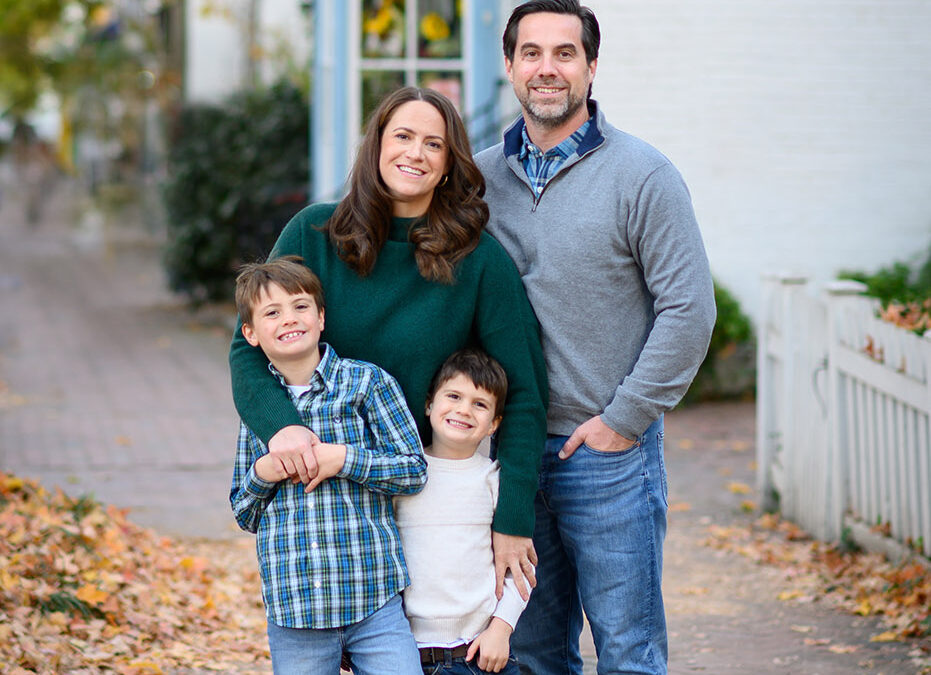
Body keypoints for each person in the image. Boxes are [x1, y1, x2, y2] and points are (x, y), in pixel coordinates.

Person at [228, 87, 548, 605]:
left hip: (427, 496)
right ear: (376, 146)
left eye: (433, 144)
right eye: (402, 136)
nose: (414, 153)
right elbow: (247, 349)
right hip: (330, 498)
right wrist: (282, 429)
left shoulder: (479, 260)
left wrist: (513, 518)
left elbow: (526, 394)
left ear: (448, 164)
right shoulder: (312, 233)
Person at [474, 1, 717, 673]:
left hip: (606, 457)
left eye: (563, 53)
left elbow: (689, 309)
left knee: (628, 652)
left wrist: (624, 419)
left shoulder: (642, 175)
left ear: (590, 66)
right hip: (506, 459)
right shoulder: (478, 179)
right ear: (509, 65)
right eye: (531, 53)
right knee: (528, 653)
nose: (546, 68)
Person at [229, 256, 427, 673]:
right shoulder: (260, 408)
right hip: (296, 609)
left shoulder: (367, 384)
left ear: (321, 317)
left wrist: (343, 459)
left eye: (300, 306)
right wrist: (264, 473)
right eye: (272, 312)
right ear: (250, 333)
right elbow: (244, 512)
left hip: (373, 599)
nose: (289, 319)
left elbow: (413, 470)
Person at [395, 349, 529, 675]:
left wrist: (502, 628)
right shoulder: (401, 476)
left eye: (479, 404)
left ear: (494, 424)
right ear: (429, 404)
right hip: (407, 652)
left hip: (480, 651)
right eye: (453, 396)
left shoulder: (495, 480)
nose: (463, 409)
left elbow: (520, 568)